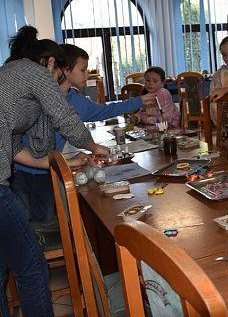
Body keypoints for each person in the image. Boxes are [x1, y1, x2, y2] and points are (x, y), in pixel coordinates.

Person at [0, 26, 108, 316]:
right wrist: (93, 146)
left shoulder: (10, 75)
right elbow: (64, 116)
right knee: (33, 265)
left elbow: (12, 148)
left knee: (1, 267)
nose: (57, 79)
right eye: (59, 71)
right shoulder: (34, 72)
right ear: (50, 63)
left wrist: (55, 161)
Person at [11, 44, 155, 223]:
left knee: (43, 223)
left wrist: (137, 101)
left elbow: (103, 111)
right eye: (83, 69)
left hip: (47, 171)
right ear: (64, 69)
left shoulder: (75, 99)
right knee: (22, 223)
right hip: (20, 170)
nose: (87, 74)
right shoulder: (38, 97)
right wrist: (89, 149)